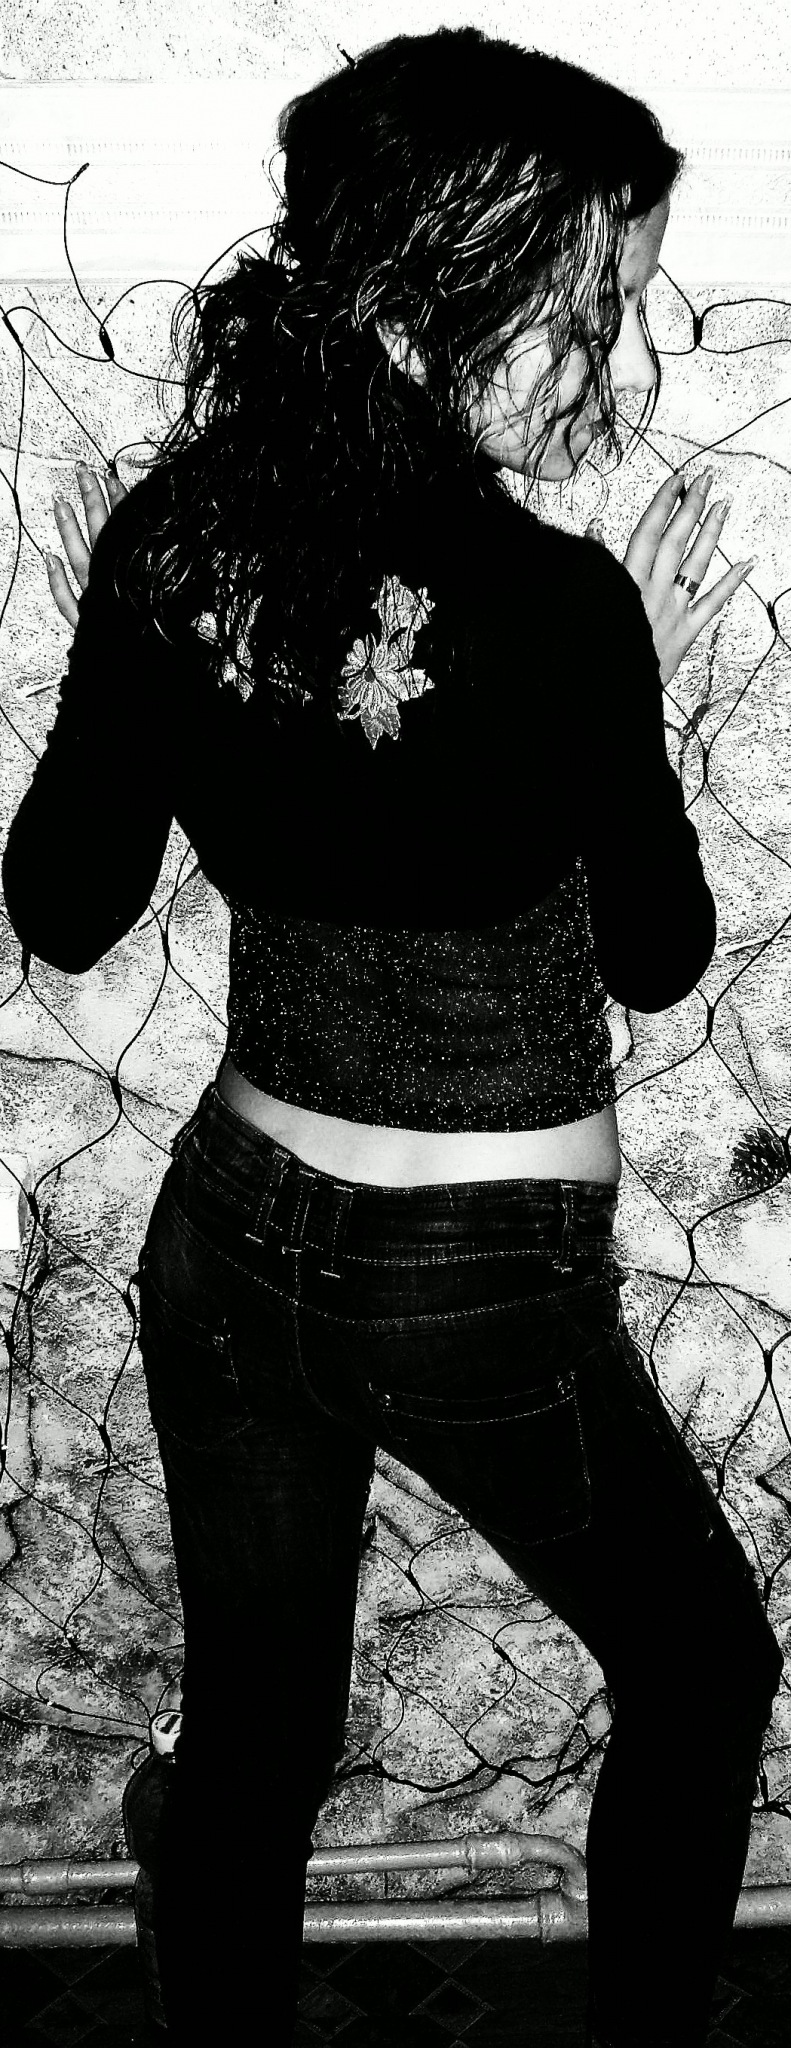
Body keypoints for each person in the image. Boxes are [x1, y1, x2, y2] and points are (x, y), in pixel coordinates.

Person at [3, 28, 781, 2048]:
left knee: (263, 1731)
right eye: (588, 308)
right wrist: (652, 704)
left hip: (232, 1239)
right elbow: (663, 960)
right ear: (447, 298)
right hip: (473, 1280)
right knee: (707, 1669)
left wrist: (141, 668)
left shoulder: (180, 540)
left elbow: (65, 904)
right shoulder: (566, 607)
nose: (615, 359)